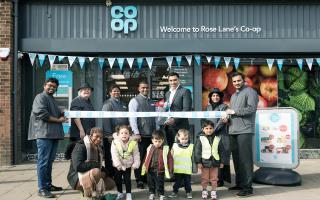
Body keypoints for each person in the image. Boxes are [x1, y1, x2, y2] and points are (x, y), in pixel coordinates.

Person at [28, 77, 67, 198]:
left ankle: (48, 185)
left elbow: (51, 113)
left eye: (54, 87)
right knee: (43, 162)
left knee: (49, 162)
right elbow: (41, 113)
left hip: (52, 134)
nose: (51, 88)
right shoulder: (40, 97)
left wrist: (61, 113)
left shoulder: (51, 99)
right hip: (44, 134)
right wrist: (59, 119)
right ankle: (42, 188)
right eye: (49, 85)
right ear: (44, 85)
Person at [226, 72, 258, 197]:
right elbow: (234, 114)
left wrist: (234, 111)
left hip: (245, 130)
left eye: (238, 81)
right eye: (234, 81)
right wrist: (227, 117)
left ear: (243, 81)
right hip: (233, 130)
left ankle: (248, 187)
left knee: (245, 160)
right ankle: (240, 183)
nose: (236, 83)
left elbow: (251, 109)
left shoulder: (250, 92)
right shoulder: (234, 95)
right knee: (237, 160)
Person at [67, 127, 115, 198]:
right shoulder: (80, 146)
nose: (99, 139)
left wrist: (105, 172)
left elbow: (100, 166)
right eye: (96, 136)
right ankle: (88, 192)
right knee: (96, 172)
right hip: (76, 177)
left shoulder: (98, 148)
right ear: (90, 136)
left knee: (111, 184)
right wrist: (95, 165)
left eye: (101, 137)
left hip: (91, 171)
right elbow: (78, 167)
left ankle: (95, 190)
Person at [128, 80, 157, 189]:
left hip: (152, 136)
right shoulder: (134, 101)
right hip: (141, 135)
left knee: (148, 158)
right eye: (143, 88)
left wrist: (156, 131)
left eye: (146, 88)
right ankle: (139, 180)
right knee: (138, 158)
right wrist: (136, 133)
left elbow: (155, 118)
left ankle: (146, 178)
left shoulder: (152, 102)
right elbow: (132, 118)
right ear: (139, 89)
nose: (145, 89)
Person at [194, 120, 227, 200]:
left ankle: (213, 191)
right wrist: (198, 162)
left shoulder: (217, 138)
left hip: (215, 162)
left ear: (213, 129)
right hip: (204, 163)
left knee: (214, 178)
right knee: (204, 178)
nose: (209, 130)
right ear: (203, 129)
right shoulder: (200, 139)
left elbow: (221, 151)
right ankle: (204, 191)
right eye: (206, 128)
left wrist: (222, 161)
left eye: (211, 128)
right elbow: (197, 151)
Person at [206, 88, 231, 187]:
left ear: (220, 97)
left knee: (220, 158)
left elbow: (222, 121)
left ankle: (219, 180)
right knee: (211, 157)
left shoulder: (224, 107)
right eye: (213, 96)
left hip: (221, 135)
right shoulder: (208, 107)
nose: (215, 97)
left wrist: (213, 131)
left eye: (217, 96)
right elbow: (205, 120)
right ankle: (212, 178)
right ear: (210, 97)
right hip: (210, 134)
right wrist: (206, 131)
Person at [102, 85, 129, 176]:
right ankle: (110, 176)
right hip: (111, 136)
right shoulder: (107, 104)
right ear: (110, 93)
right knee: (110, 157)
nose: (116, 93)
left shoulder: (123, 104)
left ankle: (119, 176)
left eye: (118, 91)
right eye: (114, 91)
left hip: (122, 135)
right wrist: (109, 134)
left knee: (120, 156)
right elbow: (105, 120)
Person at [65, 83, 95, 159]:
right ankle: (73, 171)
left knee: (85, 156)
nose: (87, 91)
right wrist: (81, 130)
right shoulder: (76, 101)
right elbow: (75, 116)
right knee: (77, 157)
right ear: (79, 92)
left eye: (88, 90)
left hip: (87, 134)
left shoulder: (89, 102)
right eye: (84, 89)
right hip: (79, 134)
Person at [141, 130, 173, 200]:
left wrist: (171, 169)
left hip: (160, 171)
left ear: (163, 141)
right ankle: (152, 193)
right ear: (152, 140)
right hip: (150, 170)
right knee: (150, 183)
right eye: (156, 141)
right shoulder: (149, 147)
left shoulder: (165, 149)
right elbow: (146, 157)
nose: (157, 143)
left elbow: (170, 159)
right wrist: (144, 166)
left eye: (159, 141)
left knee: (160, 184)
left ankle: (161, 194)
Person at [111, 125, 140, 200]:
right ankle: (120, 192)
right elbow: (114, 155)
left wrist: (136, 164)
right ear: (118, 134)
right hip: (117, 165)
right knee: (118, 180)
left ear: (129, 134)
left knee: (127, 180)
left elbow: (136, 154)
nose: (124, 134)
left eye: (126, 133)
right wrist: (119, 165)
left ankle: (128, 193)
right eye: (122, 133)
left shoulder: (133, 142)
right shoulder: (114, 142)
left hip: (128, 165)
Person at [164, 72, 192, 148]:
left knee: (182, 150)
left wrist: (174, 119)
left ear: (179, 80)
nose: (173, 82)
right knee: (171, 150)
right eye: (170, 80)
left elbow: (186, 109)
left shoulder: (185, 91)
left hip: (181, 127)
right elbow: (167, 109)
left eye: (175, 80)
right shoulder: (167, 93)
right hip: (169, 127)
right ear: (168, 81)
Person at [168, 129, 194, 199]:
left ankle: (188, 192)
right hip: (177, 169)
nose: (184, 140)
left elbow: (193, 158)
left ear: (188, 138)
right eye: (182, 139)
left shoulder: (191, 146)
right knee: (177, 183)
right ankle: (174, 192)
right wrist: (170, 167)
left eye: (186, 139)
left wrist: (194, 168)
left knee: (187, 183)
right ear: (178, 138)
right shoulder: (174, 146)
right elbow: (171, 156)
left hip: (187, 170)